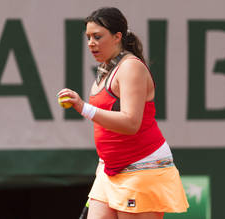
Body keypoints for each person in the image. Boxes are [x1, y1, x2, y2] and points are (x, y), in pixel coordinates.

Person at [57, 7, 189, 219]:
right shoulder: (106, 70)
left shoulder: (130, 68)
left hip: (142, 168)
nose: (91, 43)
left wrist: (83, 107)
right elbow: (106, 126)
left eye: (98, 37)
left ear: (117, 36)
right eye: (88, 37)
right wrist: (104, 161)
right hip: (110, 170)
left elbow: (130, 122)